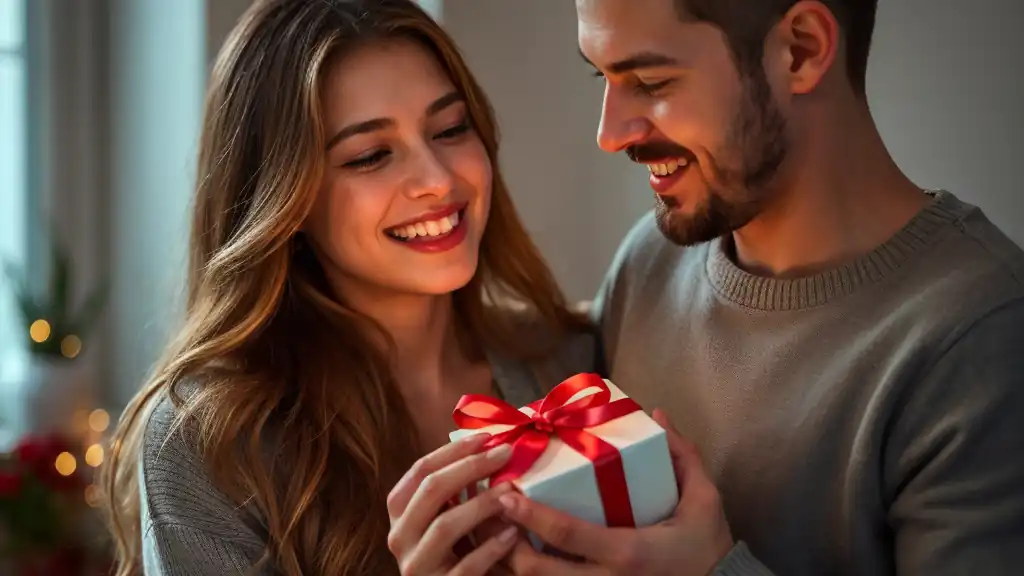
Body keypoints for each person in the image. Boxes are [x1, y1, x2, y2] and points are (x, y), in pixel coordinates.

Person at [456, 0, 1024, 574]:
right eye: (600, 76)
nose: (609, 134)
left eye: (650, 81)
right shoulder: (650, 260)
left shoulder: (985, 338)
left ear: (800, 49)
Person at [98, 0, 597, 574]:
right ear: (286, 200)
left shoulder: (571, 364)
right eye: (370, 156)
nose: (437, 180)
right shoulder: (208, 445)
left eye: (451, 128)